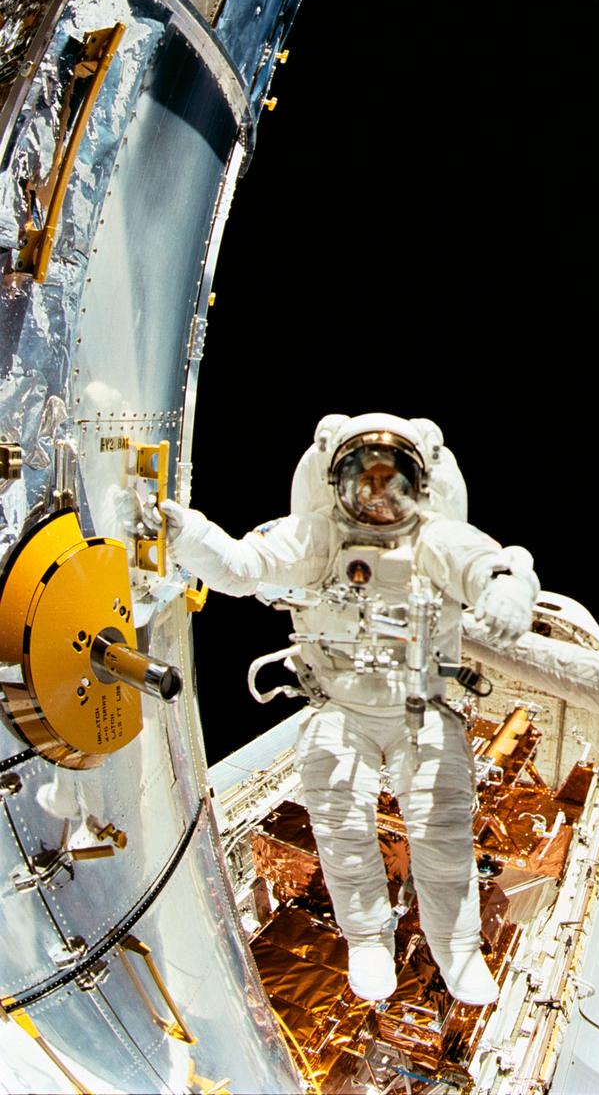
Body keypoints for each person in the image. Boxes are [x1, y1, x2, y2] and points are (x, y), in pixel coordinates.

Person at [160, 413, 538, 1006]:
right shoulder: (317, 538)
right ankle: (367, 939)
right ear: (340, 485)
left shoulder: (436, 539)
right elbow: (237, 567)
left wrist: (508, 594)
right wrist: (185, 531)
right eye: (366, 481)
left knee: (440, 830)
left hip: (421, 705)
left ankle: (457, 949)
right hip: (344, 707)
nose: (380, 497)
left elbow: (495, 566)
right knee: (341, 825)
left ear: (419, 485)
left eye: (395, 482)